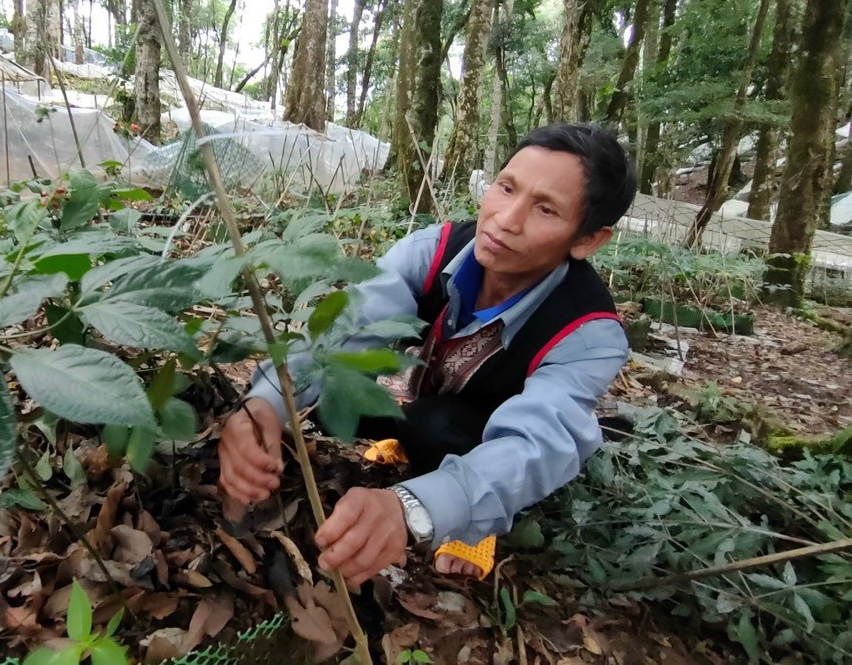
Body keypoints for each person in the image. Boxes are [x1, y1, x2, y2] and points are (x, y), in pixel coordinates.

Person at [218, 123, 637, 586]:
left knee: (441, 428)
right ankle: (409, 448)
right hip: (420, 396)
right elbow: (345, 335)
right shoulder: (432, 251)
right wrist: (265, 404)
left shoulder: (588, 332)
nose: (505, 219)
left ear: (588, 240)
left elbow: (535, 443)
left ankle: (473, 516)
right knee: (336, 402)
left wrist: (415, 508)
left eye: (545, 209)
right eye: (505, 188)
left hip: (479, 433)